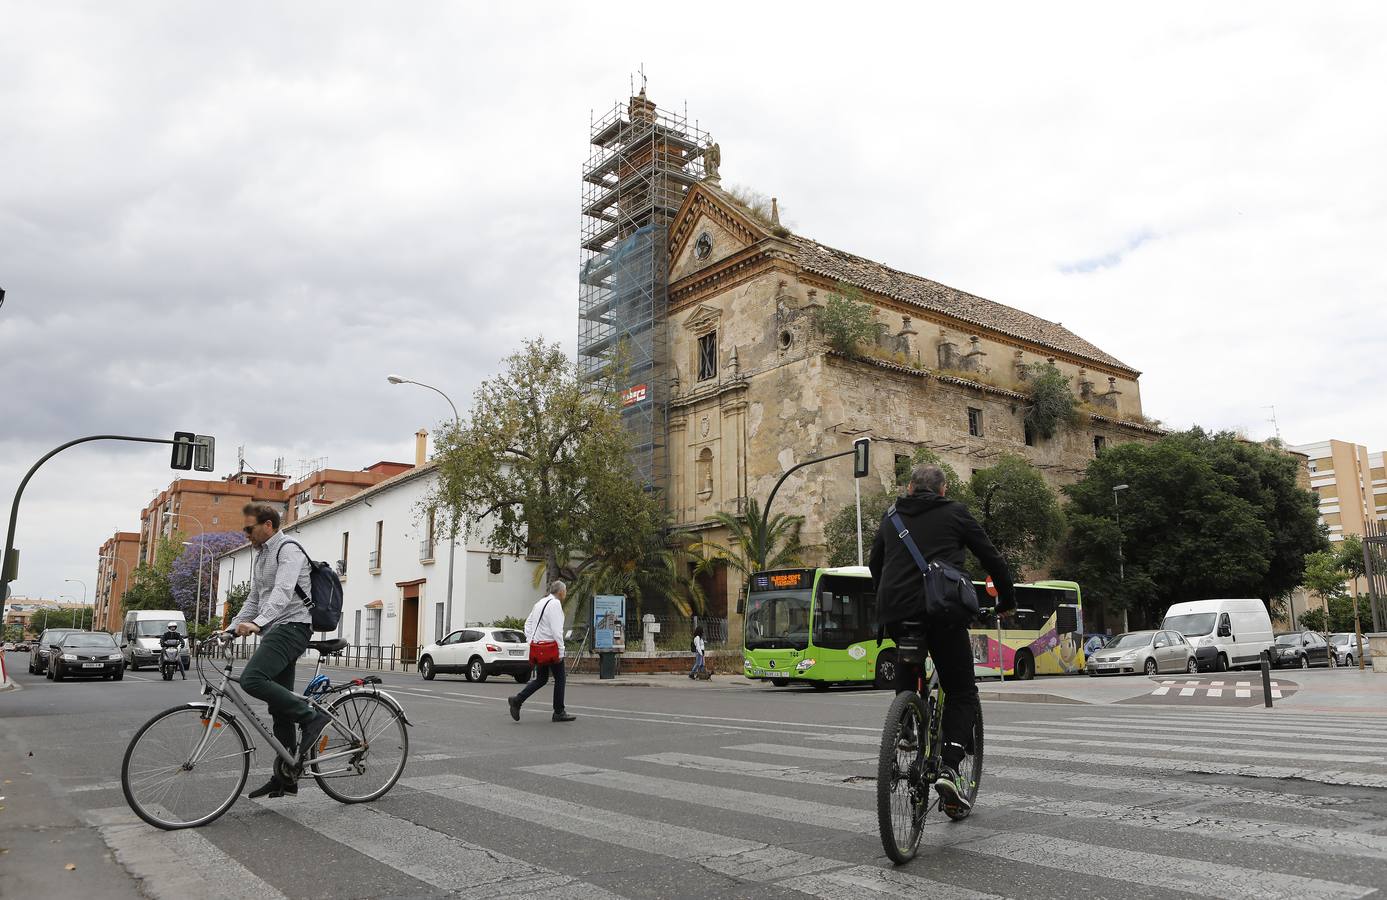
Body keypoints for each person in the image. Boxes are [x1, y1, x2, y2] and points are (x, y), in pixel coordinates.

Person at [868, 464, 1015, 812]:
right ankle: (950, 766)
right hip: (944, 614)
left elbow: (876, 564)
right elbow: (992, 558)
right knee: (962, 690)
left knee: (908, 670)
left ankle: (906, 726)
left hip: (899, 614)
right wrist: (1006, 601)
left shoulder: (891, 517)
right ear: (943, 490)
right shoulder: (955, 513)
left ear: (909, 487)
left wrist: (888, 597)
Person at [229, 503, 332, 799]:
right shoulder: (261, 555)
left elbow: (283, 593)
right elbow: (255, 598)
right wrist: (232, 627)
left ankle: (311, 717)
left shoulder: (289, 549)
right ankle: (286, 774)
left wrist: (258, 624)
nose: (246, 534)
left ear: (269, 526)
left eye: (249, 529)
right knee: (279, 706)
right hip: (276, 629)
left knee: (252, 679)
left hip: (294, 626)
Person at [508, 580, 576, 723]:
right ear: (561, 592)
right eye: (565, 591)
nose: (566, 593)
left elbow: (528, 623)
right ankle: (559, 712)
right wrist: (561, 650)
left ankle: (517, 700)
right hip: (551, 648)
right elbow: (557, 630)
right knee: (560, 679)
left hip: (539, 648)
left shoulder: (539, 603)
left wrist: (532, 640)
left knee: (541, 679)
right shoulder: (555, 604)